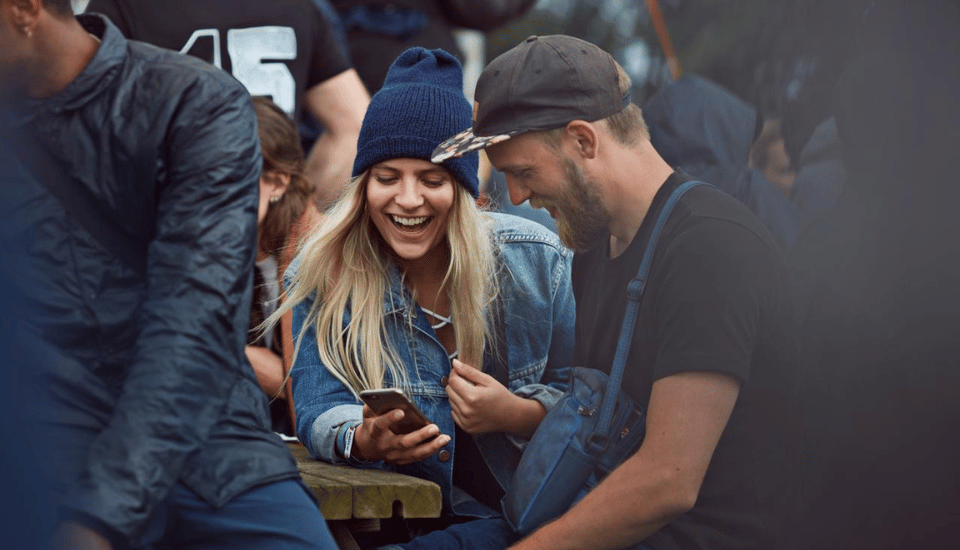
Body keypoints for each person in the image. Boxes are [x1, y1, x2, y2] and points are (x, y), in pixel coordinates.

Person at [433, 35, 799, 550]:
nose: (515, 196)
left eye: (523, 171)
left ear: (584, 140)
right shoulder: (592, 248)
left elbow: (668, 480)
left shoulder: (709, 248)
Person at [0, 2, 336, 549]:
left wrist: (98, 519)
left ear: (24, 9)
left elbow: (194, 320)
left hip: (208, 435)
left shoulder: (193, 100)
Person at [275, 47, 575, 550]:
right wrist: (363, 437)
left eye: (432, 180)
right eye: (386, 178)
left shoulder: (537, 260)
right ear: (363, 185)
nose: (408, 200)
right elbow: (315, 403)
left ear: (461, 189)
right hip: (406, 518)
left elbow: (593, 398)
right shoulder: (323, 270)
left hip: (536, 518)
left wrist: (515, 414)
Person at [85, 0, 370, 208]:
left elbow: (86, 133)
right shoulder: (300, 6)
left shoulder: (125, 5)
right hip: (271, 242)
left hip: (174, 236)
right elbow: (357, 128)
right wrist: (294, 213)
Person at [248, 96, 323, 435]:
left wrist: (214, 349)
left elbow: (310, 386)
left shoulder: (312, 243)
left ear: (277, 183)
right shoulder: (192, 235)